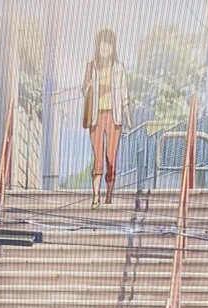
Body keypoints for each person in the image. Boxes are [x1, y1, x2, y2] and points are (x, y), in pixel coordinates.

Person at [82, 29, 132, 209]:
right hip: (96, 117)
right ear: (98, 46)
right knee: (98, 158)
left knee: (111, 157)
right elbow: (84, 89)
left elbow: (124, 93)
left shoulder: (119, 68)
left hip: (114, 116)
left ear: (113, 47)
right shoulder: (91, 66)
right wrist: (91, 87)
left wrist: (128, 116)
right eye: (102, 44)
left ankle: (109, 193)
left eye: (108, 44)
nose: (105, 48)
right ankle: (96, 196)